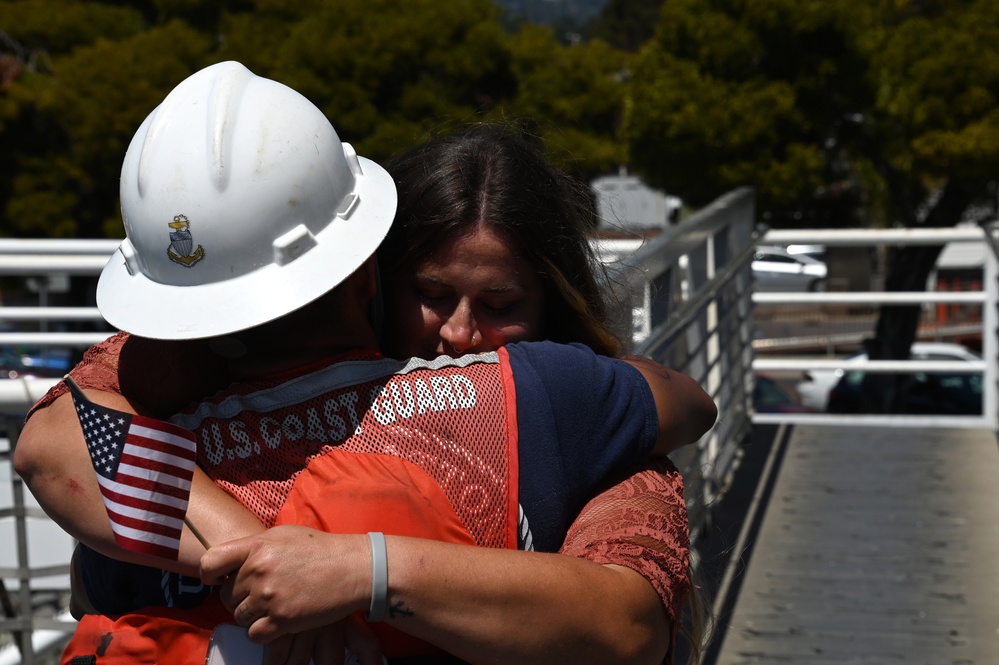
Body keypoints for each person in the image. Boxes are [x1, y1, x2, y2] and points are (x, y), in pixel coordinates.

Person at [12, 62, 716, 664]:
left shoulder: (150, 471)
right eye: (433, 294)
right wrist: (290, 566)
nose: (462, 333)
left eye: (498, 301)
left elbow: (68, 503)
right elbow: (685, 405)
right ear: (369, 266)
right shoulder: (550, 396)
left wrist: (347, 570)